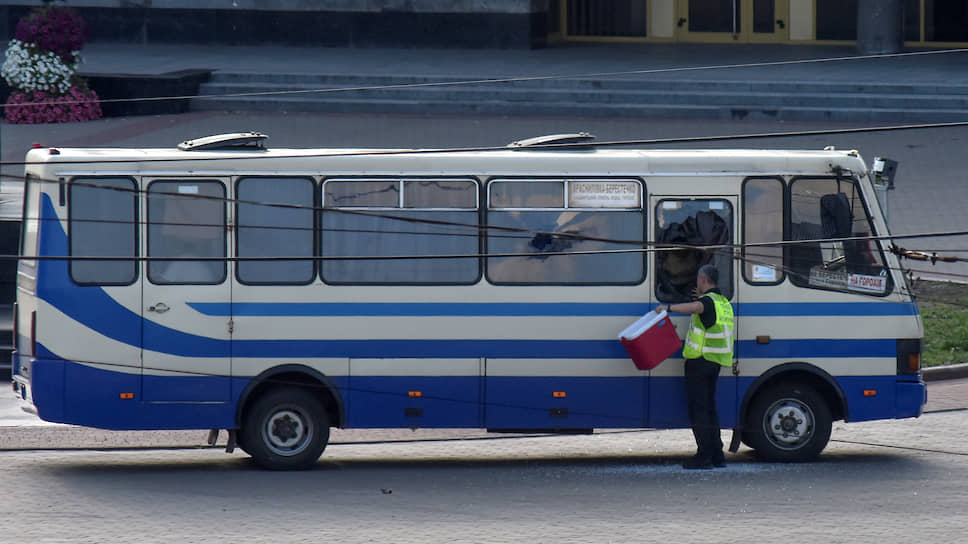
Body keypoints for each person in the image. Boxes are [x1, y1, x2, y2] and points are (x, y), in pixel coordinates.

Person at [656, 264, 735, 470]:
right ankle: (717, 455)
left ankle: (704, 456)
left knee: (699, 410)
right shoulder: (723, 302)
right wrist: (697, 298)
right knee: (709, 409)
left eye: (698, 281)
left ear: (703, 280)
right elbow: (701, 309)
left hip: (700, 362)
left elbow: (696, 308)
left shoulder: (706, 302)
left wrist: (668, 308)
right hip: (715, 362)